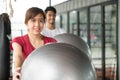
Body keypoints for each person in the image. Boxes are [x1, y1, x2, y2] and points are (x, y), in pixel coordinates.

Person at [10, 7, 57, 80]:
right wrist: (17, 72)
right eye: (33, 20)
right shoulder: (18, 41)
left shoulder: (52, 41)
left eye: (41, 21)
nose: (37, 25)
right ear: (26, 23)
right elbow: (18, 56)